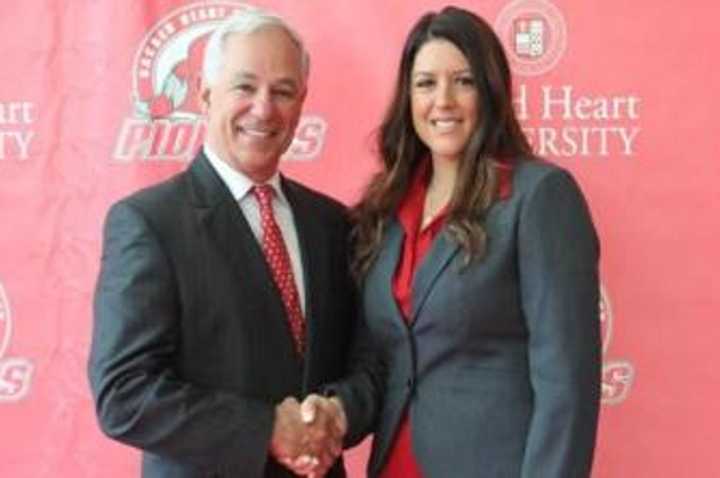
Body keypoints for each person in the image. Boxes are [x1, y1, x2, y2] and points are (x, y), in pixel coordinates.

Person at [325, 6, 601, 477]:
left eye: (464, 81)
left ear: (491, 93)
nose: (443, 100)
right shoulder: (386, 209)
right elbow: (381, 360)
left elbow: (567, 385)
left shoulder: (539, 196)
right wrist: (332, 414)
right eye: (426, 83)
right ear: (407, 97)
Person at [88, 9, 352, 478]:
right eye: (245, 87)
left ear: (302, 103)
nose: (264, 107)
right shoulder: (149, 222)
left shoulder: (332, 224)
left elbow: (363, 359)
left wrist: (338, 414)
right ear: (206, 95)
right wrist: (265, 428)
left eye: (283, 91)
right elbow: (123, 393)